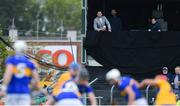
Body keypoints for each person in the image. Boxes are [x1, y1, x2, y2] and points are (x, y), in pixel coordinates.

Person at [1, 40, 41, 105]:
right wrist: (32, 89)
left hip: (12, 92)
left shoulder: (11, 60)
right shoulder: (30, 63)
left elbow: (8, 74)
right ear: (25, 49)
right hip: (24, 93)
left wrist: (4, 87)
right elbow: (36, 80)